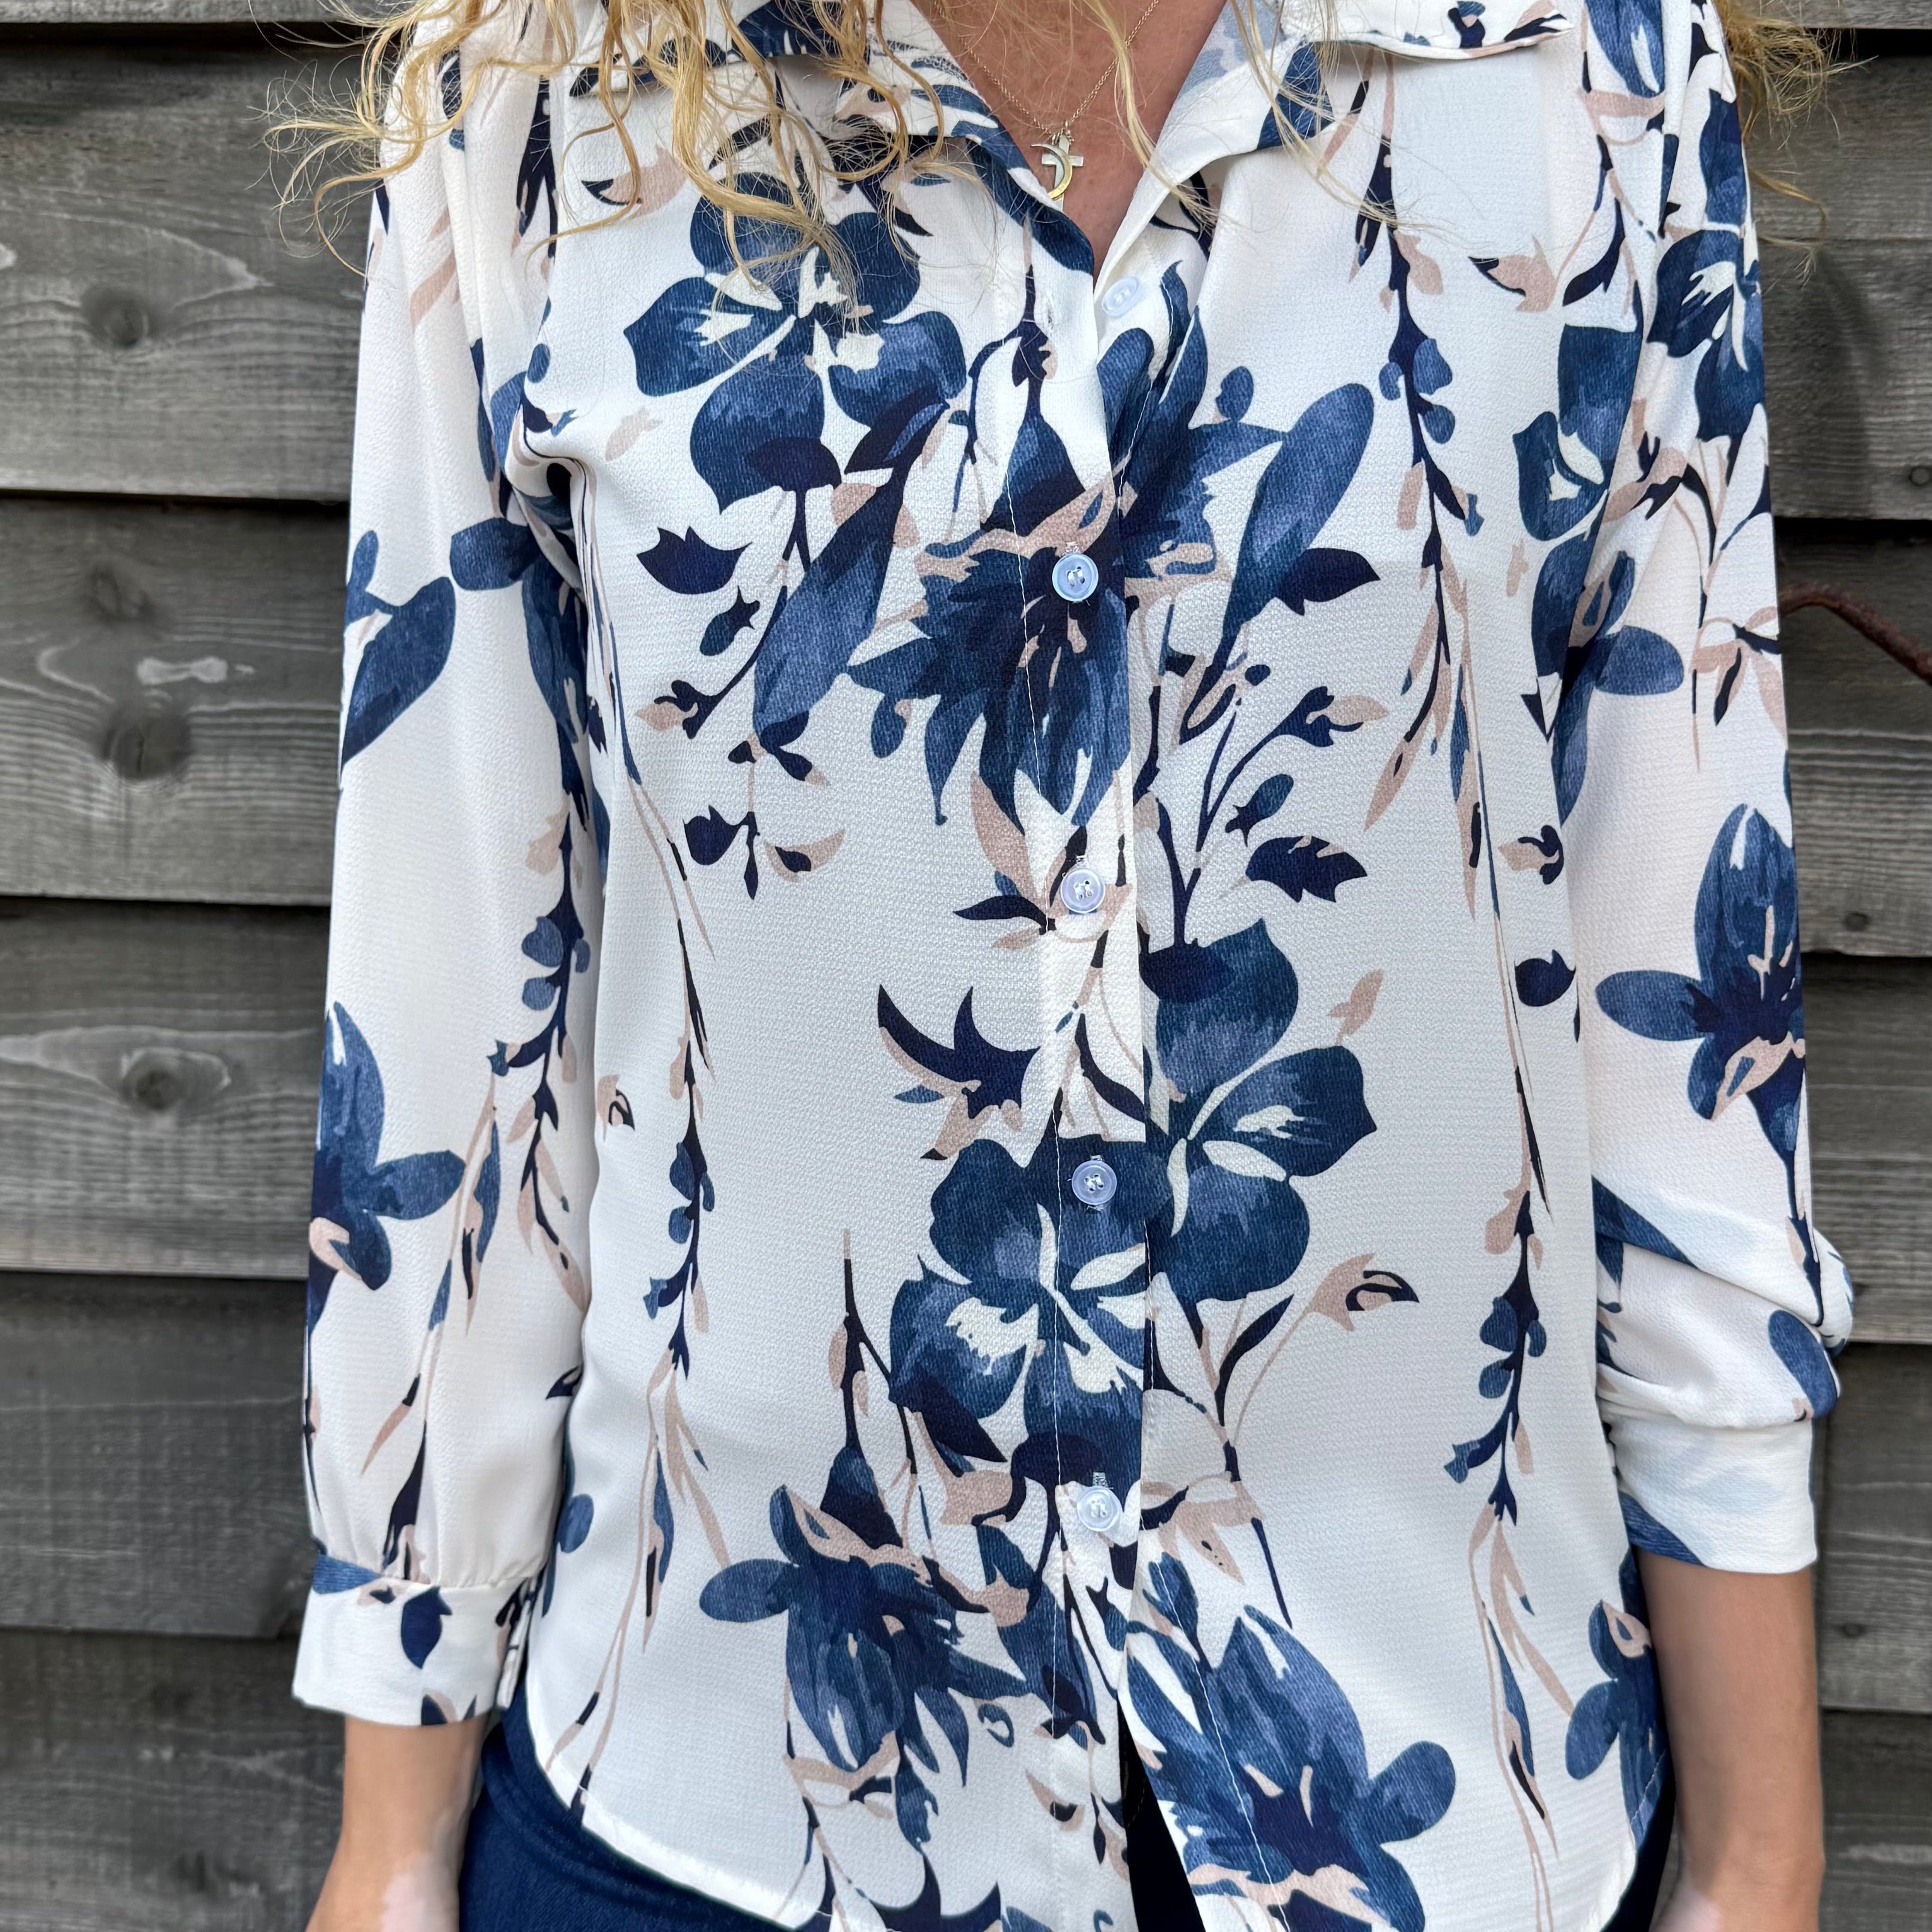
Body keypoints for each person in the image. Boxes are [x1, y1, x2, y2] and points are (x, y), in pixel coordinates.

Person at [292, 0, 1851, 1924]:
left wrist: (1763, 1857)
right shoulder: (536, 102)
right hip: (718, 1803)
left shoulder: (1581, 68)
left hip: (1443, 1801)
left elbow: (1683, 997)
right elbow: (458, 1007)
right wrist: (392, 1844)